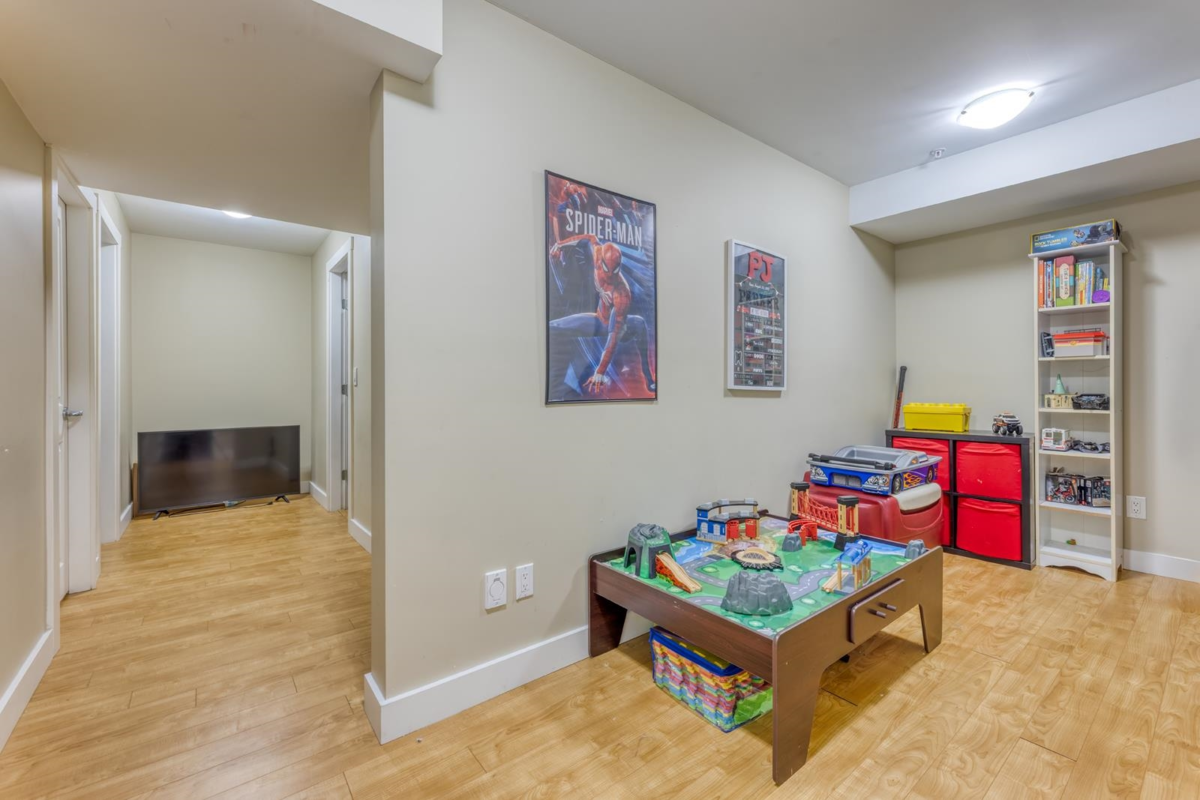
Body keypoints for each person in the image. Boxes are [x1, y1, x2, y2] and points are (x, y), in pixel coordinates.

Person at [548, 233, 655, 395]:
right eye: (606, 270)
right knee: (552, 327)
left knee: (639, 324)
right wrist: (560, 244)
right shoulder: (597, 251)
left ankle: (649, 378)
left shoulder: (622, 294)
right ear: (600, 261)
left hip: (618, 327)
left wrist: (600, 371)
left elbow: (613, 337)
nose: (609, 276)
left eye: (614, 271)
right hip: (599, 319)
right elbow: (588, 237)